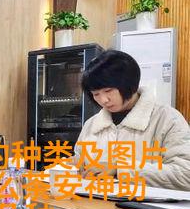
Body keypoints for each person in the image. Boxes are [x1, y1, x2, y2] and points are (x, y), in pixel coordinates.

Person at [75, 50, 190, 191]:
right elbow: (80, 163)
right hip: (94, 202)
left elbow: (186, 175)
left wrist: (120, 169)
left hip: (144, 204)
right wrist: (72, 166)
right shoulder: (91, 124)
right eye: (96, 94)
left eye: (108, 90)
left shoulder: (167, 119)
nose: (103, 100)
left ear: (130, 84)